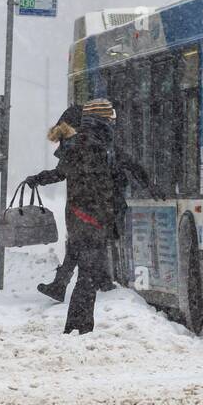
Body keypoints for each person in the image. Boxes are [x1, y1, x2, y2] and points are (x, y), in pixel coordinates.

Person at [26, 99, 156, 334]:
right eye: (110, 118)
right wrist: (148, 184)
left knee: (87, 274)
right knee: (88, 275)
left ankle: (77, 323)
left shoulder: (89, 143)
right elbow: (130, 166)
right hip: (91, 219)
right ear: (102, 120)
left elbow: (60, 173)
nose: (113, 122)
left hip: (81, 218)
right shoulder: (98, 145)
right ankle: (80, 326)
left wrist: (38, 178)